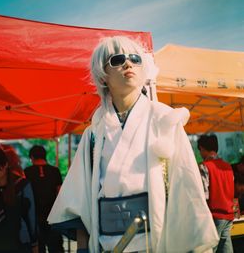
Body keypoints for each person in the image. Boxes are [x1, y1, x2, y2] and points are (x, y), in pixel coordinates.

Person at [48, 36, 218, 253]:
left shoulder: (165, 121)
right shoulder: (93, 135)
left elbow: (188, 191)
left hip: (155, 243)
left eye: (135, 59)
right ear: (103, 76)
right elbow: (79, 205)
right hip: (108, 246)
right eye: (117, 59)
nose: (128, 64)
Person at [0, 147, 38, 253]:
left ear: (5, 165)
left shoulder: (22, 185)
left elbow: (31, 217)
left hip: (19, 243)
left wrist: (35, 243)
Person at [197, 134, 235, 253]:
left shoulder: (205, 167)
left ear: (202, 148)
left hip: (214, 215)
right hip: (229, 214)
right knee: (226, 249)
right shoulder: (228, 167)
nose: (200, 154)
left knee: (208, 250)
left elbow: (204, 194)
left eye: (200, 150)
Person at [24, 145, 64, 253]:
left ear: (32, 157)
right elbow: (60, 193)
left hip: (35, 217)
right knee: (56, 248)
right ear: (44, 156)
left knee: (38, 247)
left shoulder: (27, 172)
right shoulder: (55, 171)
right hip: (53, 216)